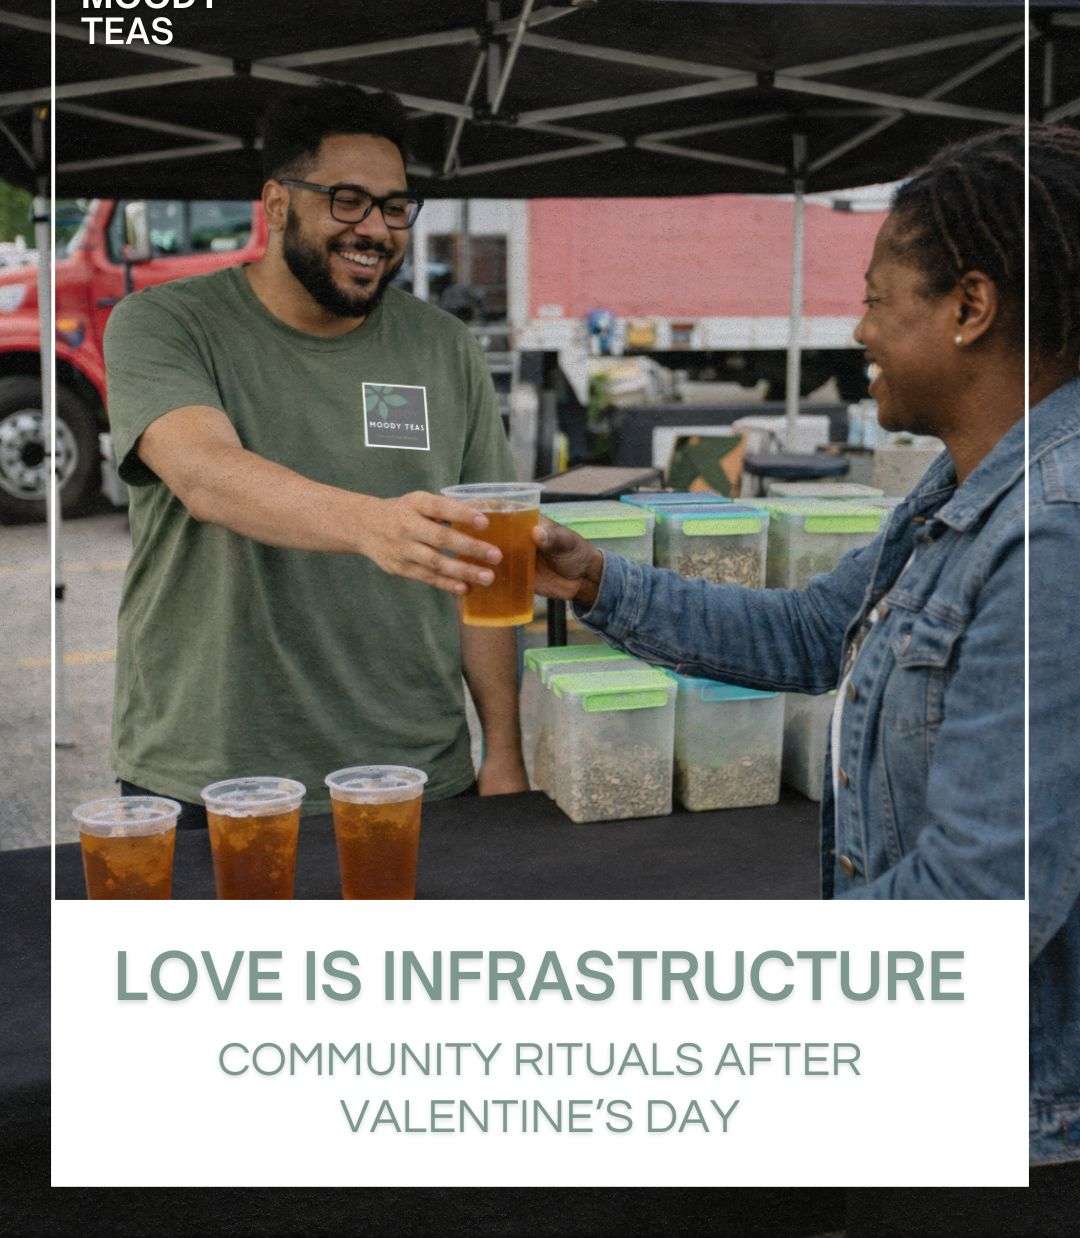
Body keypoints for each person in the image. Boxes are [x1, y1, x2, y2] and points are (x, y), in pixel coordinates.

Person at [527, 124, 1080, 1162]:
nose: (858, 329)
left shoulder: (1054, 530)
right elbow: (815, 630)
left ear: (969, 308)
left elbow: (982, 903)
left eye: (875, 298)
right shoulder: (968, 484)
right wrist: (596, 577)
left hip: (1017, 1132)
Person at [104, 85, 529, 827]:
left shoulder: (443, 347)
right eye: (347, 201)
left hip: (412, 771)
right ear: (276, 205)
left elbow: (487, 566)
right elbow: (205, 474)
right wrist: (372, 525)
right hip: (212, 773)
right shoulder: (165, 323)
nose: (375, 230)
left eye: (394, 207)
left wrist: (505, 751)